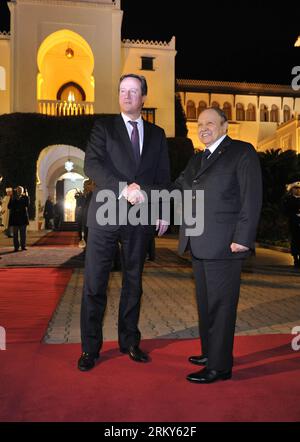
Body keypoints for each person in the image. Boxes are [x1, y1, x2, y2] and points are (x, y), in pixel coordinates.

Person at [78, 73, 171, 371]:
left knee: (133, 282)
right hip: (105, 213)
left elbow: (162, 176)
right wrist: (123, 187)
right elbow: (92, 164)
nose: (127, 96)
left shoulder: (157, 134)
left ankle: (130, 341)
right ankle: (90, 348)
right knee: (95, 283)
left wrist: (163, 210)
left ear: (144, 97)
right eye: (122, 91)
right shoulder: (103, 127)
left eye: (133, 91)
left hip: (140, 217)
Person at [174, 107, 262, 384]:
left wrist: (243, 238)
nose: (203, 128)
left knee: (221, 306)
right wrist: (145, 194)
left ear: (225, 126)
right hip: (198, 243)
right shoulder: (197, 160)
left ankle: (220, 366)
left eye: (210, 123)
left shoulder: (241, 152)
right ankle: (210, 352)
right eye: (199, 124)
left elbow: (251, 196)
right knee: (205, 303)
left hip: (226, 244)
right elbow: (176, 188)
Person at [282, 181, 300, 267]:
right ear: (292, 190)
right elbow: (285, 210)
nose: (297, 190)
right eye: (295, 188)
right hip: (293, 223)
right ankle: (296, 259)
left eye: (299, 188)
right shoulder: (289, 199)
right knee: (295, 240)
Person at [8, 186, 30, 252]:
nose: (19, 191)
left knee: (23, 234)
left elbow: (27, 205)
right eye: (18, 190)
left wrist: (27, 196)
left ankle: (23, 246)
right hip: (15, 218)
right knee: (15, 234)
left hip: (23, 218)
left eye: (20, 190)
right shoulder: (13, 197)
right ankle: (16, 247)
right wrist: (12, 200)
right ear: (16, 191)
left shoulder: (25, 197)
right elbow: (9, 206)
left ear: (22, 191)